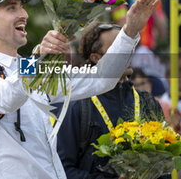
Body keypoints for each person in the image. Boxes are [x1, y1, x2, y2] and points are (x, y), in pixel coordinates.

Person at [0, 0, 160, 178]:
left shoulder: (29, 67)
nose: (24, 15)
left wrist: (130, 31)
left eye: (21, 8)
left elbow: (102, 79)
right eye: (11, 8)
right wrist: (39, 57)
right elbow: (6, 98)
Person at [56, 22, 168, 179]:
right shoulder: (78, 104)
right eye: (118, 49)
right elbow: (62, 169)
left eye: (127, 47)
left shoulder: (148, 102)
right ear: (96, 58)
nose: (127, 53)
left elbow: (163, 164)